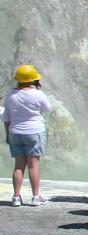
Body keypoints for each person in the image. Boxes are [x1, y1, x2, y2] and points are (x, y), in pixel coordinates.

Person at [5, 65, 53, 207]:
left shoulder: (10, 95)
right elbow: (48, 108)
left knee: (18, 166)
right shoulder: (37, 94)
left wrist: (7, 134)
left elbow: (6, 117)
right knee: (33, 165)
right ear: (33, 79)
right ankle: (35, 196)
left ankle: (16, 197)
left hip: (15, 132)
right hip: (34, 132)